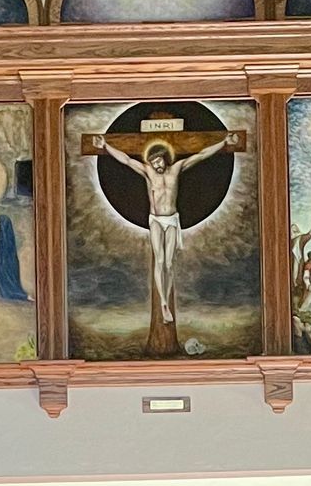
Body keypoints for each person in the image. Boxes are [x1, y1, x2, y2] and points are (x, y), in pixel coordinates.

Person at [99, 129, 233, 348]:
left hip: (171, 220)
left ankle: (165, 300)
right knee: (159, 261)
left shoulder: (176, 170)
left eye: (159, 161)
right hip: (155, 220)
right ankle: (163, 302)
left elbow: (200, 155)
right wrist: (105, 146)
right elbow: (125, 159)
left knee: (169, 263)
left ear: (165, 158)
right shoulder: (148, 173)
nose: (156, 165)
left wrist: (223, 143)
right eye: (153, 162)